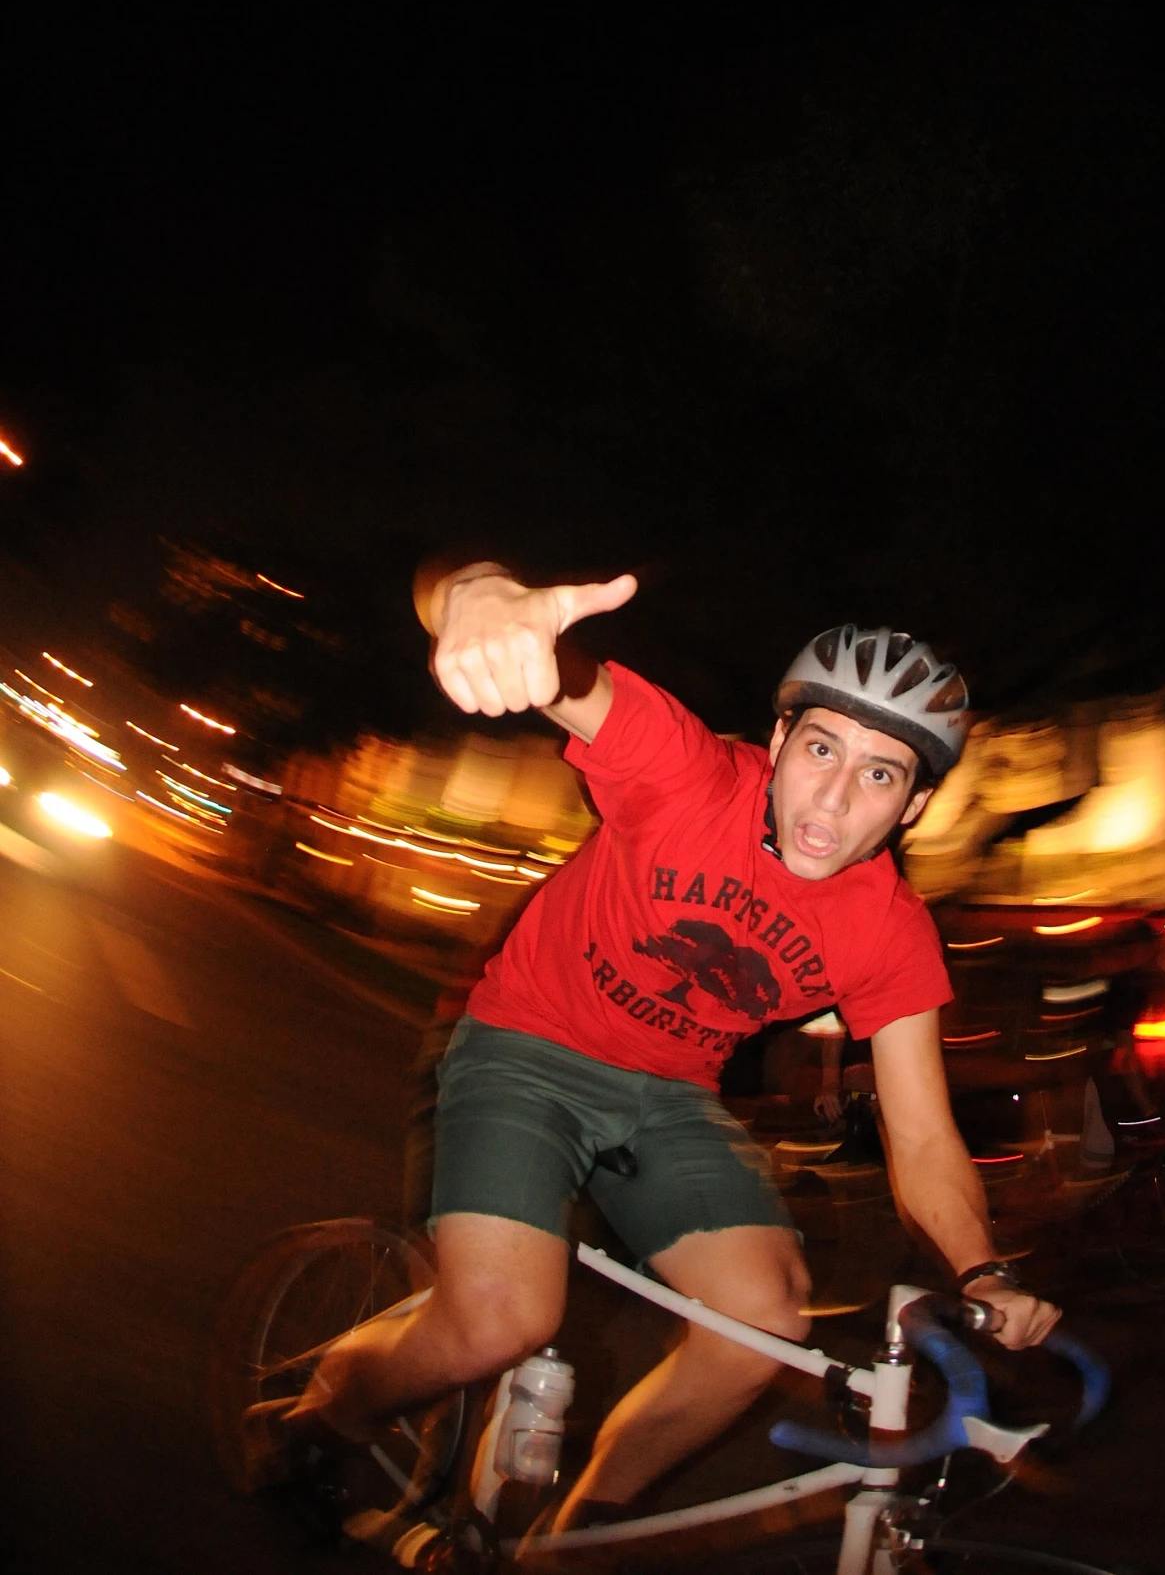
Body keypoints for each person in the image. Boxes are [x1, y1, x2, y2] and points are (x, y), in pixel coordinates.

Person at [266, 564, 1060, 1532]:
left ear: (916, 805)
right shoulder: (686, 774)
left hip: (668, 1096)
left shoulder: (890, 931)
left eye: (880, 773)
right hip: (526, 1042)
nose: (832, 798)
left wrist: (982, 1271)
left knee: (763, 1327)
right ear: (776, 741)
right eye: (820, 749)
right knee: (503, 1319)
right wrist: (477, 603)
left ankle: (583, 1531)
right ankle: (327, 1415)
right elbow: (557, 671)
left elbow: (926, 1140)